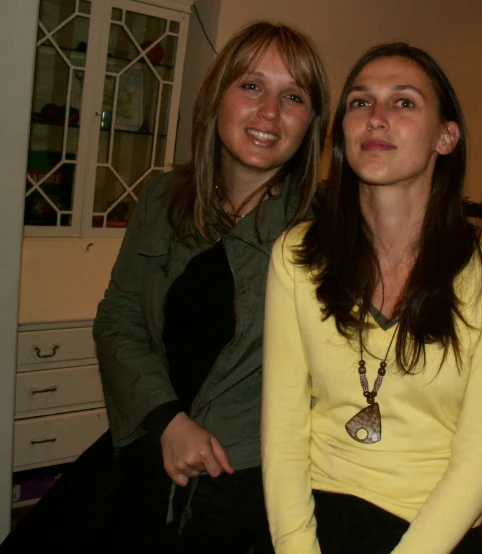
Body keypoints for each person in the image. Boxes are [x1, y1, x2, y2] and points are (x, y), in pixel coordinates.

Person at [261, 43, 482, 554]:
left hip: (430, 527)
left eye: (404, 103)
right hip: (314, 514)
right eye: (360, 103)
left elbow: (480, 457)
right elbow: (282, 429)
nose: (376, 119)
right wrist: (296, 547)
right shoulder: (296, 257)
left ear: (446, 136)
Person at [91, 21, 329, 552]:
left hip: (242, 482)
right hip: (148, 448)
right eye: (251, 85)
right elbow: (119, 321)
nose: (269, 111)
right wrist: (168, 422)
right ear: (217, 96)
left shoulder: (324, 236)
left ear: (311, 121)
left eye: (293, 95)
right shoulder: (161, 198)